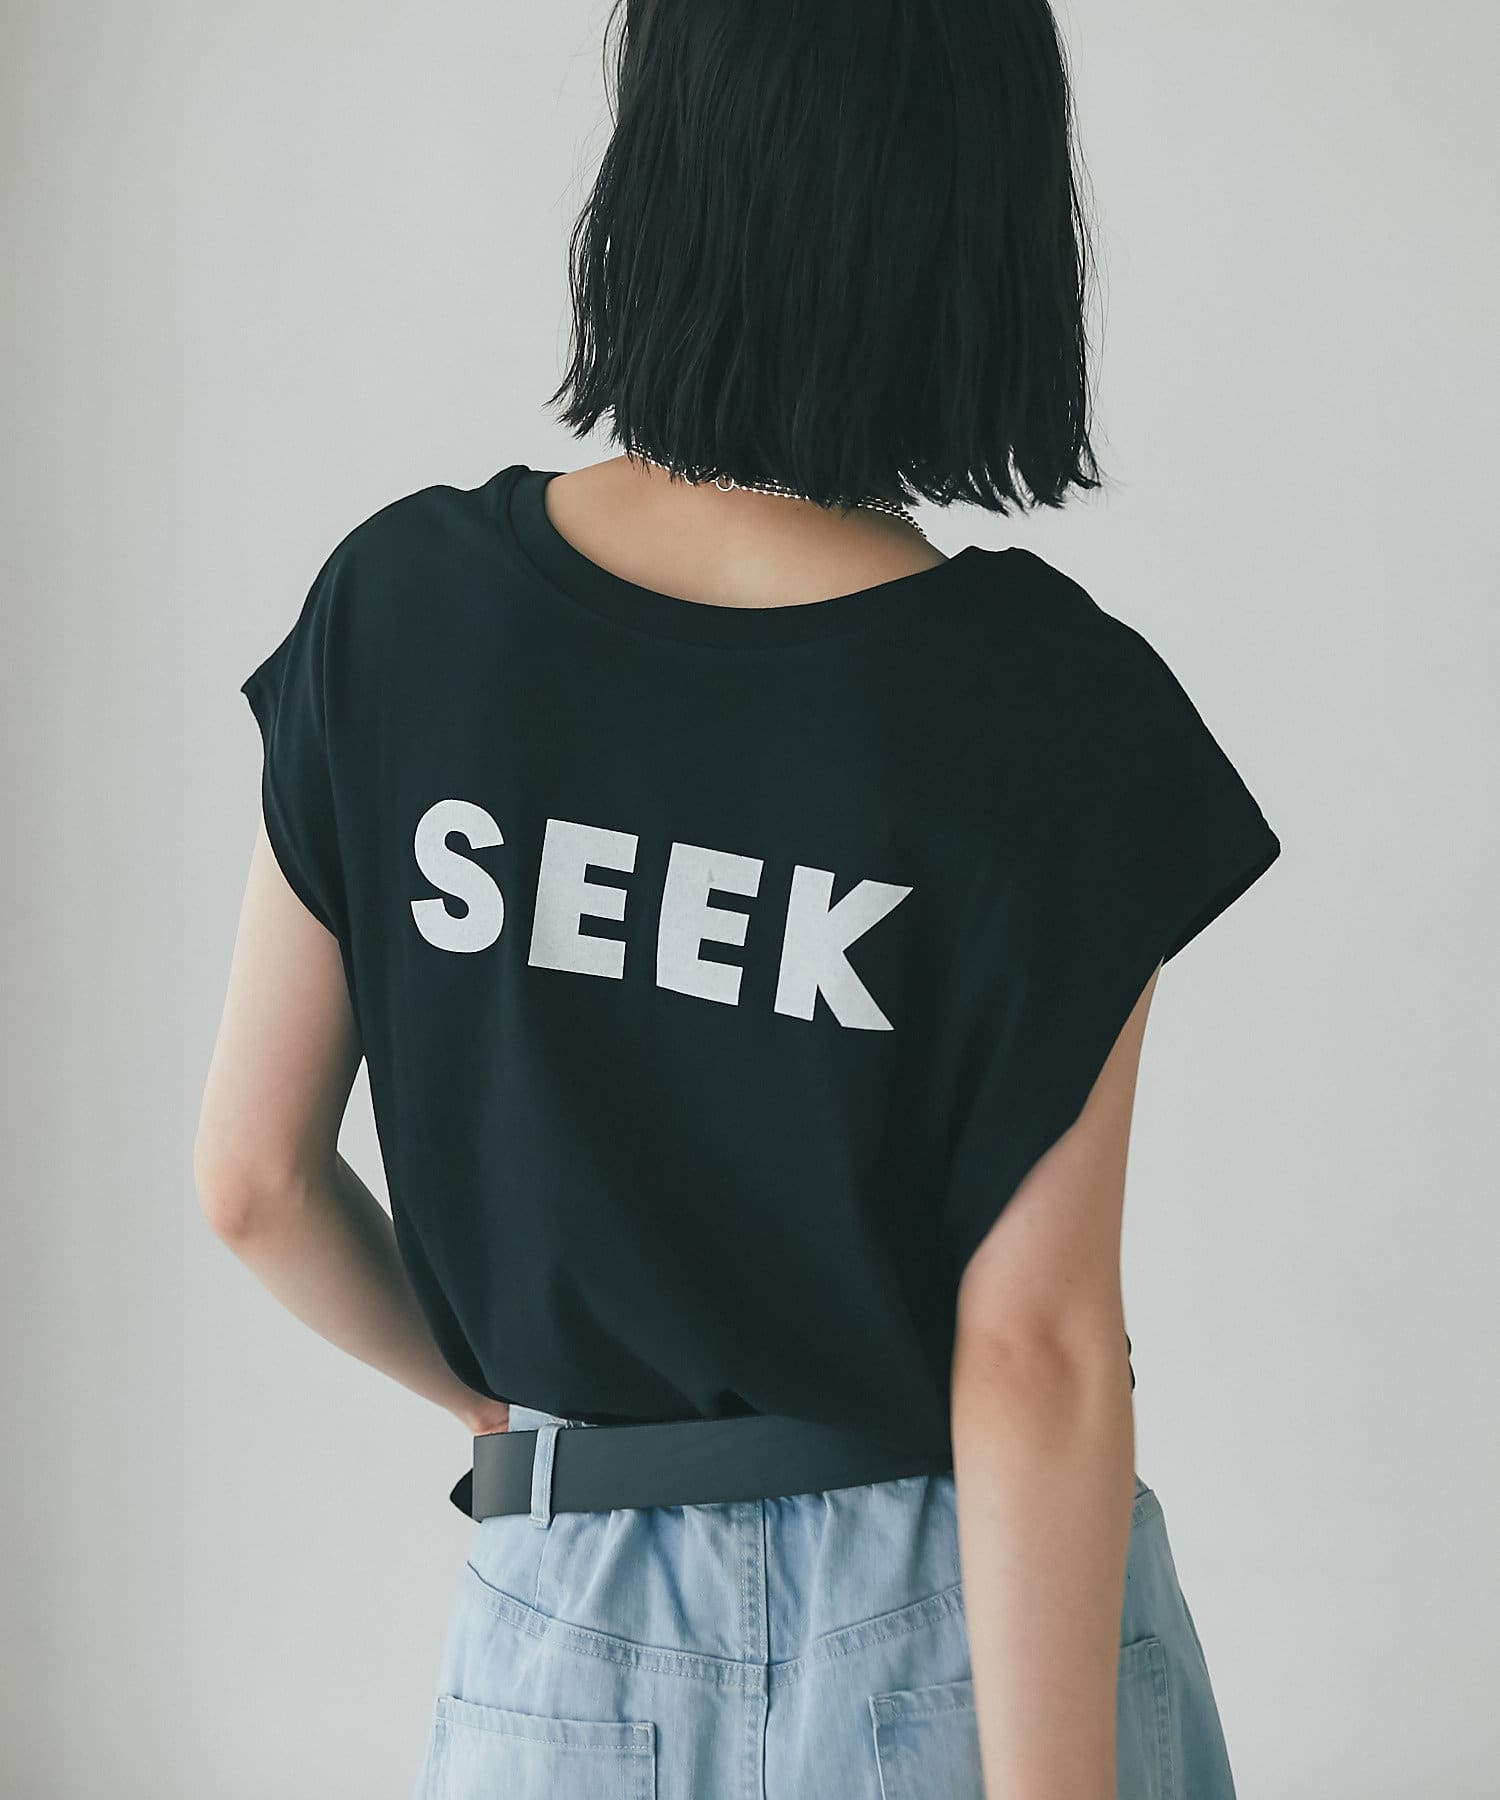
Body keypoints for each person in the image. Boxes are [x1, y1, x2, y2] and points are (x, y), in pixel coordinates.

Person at [193, 3, 1281, 1796]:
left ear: (664, 170)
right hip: (960, 1618)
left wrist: (539, 1424)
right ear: (985, 213)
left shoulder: (400, 613)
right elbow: (1033, 1348)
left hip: (564, 1618)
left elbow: (253, 1182)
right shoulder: (1052, 709)